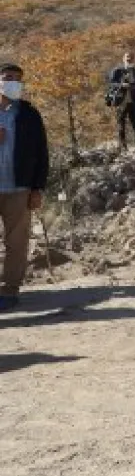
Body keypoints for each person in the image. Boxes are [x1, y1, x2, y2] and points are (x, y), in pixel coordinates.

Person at [0, 63, 48, 312]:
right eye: (7, 78)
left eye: (17, 79)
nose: (12, 83)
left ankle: (9, 290)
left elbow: (42, 153)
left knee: (16, 242)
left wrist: (37, 188)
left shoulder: (29, 114)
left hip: (19, 187)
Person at [107, 52, 135, 149]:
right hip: (121, 101)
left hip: (133, 101)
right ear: (123, 59)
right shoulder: (117, 71)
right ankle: (123, 146)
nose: (129, 59)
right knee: (121, 124)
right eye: (127, 57)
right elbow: (112, 84)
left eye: (131, 57)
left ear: (133, 59)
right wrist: (122, 85)